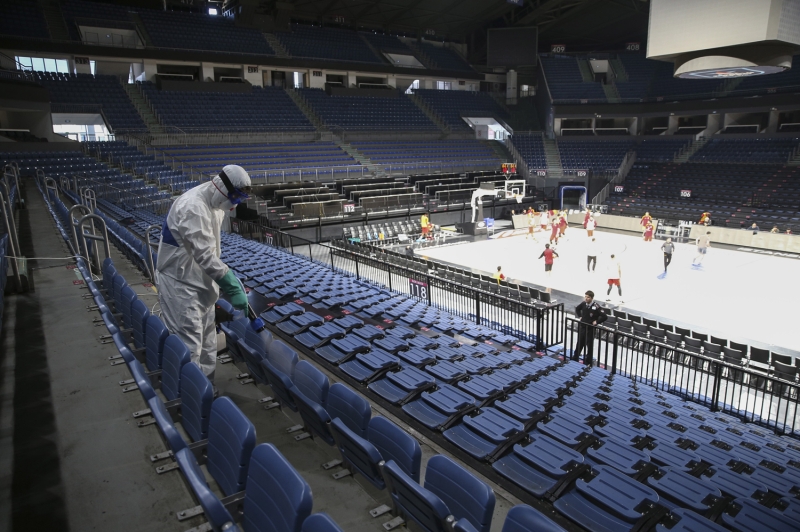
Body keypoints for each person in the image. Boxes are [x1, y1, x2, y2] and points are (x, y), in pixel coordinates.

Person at [157, 164, 252, 385]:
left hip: (202, 283)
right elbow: (205, 254)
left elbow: (211, 250)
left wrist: (222, 277)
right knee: (189, 345)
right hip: (180, 284)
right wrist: (230, 283)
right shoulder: (193, 207)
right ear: (221, 188)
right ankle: (190, 398)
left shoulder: (216, 205)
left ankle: (206, 391)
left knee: (208, 343)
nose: (235, 203)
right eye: (235, 197)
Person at [573, 290, 607, 365]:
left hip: (590, 329)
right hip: (583, 327)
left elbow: (604, 316)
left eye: (588, 297)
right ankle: (575, 357)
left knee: (589, 345)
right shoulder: (583, 304)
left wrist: (597, 322)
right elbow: (577, 309)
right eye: (585, 296)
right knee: (580, 343)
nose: (586, 298)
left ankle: (588, 361)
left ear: (592, 298)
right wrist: (580, 316)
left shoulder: (596, 306)